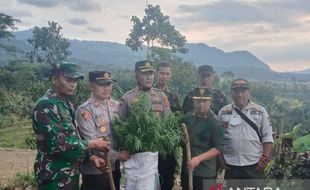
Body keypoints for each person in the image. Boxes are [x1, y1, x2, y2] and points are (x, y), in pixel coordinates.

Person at [32, 62, 110, 189]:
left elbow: (75, 137)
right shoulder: (46, 105)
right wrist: (93, 144)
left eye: (75, 80)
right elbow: (57, 144)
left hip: (70, 174)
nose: (73, 84)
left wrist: (91, 156)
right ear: (54, 80)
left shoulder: (66, 103)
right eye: (68, 79)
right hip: (54, 177)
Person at [119, 60, 171, 190]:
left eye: (151, 73)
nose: (149, 77)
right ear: (136, 75)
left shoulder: (161, 96)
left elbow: (168, 122)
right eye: (144, 74)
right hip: (135, 155)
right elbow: (120, 127)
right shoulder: (128, 98)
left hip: (157, 154)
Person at [76, 70, 130, 190]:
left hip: (114, 167)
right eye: (101, 84)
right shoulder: (85, 110)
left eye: (109, 84)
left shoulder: (116, 106)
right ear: (91, 86)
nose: (106, 88)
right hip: (95, 169)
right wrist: (118, 155)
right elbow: (92, 142)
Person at [218, 78, 273, 189]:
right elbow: (218, 139)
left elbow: (267, 138)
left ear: (248, 92)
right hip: (231, 166)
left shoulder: (260, 111)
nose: (240, 94)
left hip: (254, 165)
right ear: (231, 93)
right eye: (236, 91)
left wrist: (265, 159)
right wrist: (220, 159)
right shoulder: (224, 112)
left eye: (243, 91)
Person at [181, 87, 224, 190]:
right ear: (194, 101)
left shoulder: (215, 122)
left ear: (210, 102)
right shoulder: (187, 118)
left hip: (205, 173)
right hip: (188, 171)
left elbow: (219, 148)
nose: (201, 105)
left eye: (204, 101)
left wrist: (199, 159)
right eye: (198, 101)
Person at [154, 61, 181, 190]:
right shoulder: (146, 93)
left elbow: (178, 119)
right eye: (162, 73)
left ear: (170, 76)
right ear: (156, 73)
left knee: (167, 179)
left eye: (167, 74)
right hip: (150, 145)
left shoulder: (174, 96)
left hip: (167, 146)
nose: (164, 76)